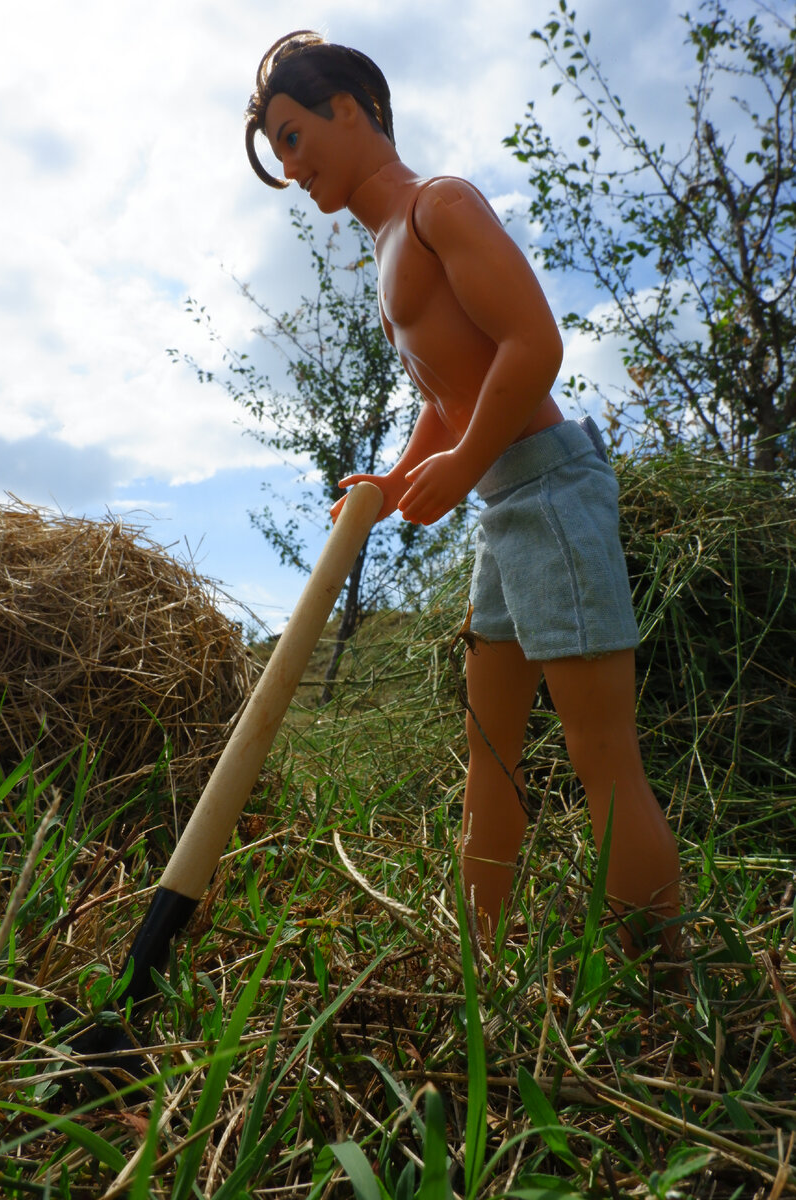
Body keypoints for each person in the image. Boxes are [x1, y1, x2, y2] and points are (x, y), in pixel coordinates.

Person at [245, 31, 681, 957]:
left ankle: (663, 984)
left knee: (599, 754)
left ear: (350, 111)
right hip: (504, 509)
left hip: (551, 490)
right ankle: (477, 956)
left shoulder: (439, 206)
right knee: (490, 751)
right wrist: (401, 477)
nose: (290, 168)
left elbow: (533, 345)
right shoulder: (387, 250)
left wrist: (461, 461)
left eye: (292, 136)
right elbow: (450, 399)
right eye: (276, 150)